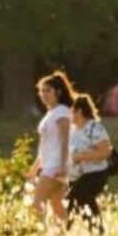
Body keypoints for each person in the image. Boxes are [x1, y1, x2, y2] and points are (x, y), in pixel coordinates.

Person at [27, 70, 74, 223]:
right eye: (42, 91)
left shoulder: (61, 111)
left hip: (55, 165)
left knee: (37, 203)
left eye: (48, 90)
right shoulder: (51, 113)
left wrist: (62, 165)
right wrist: (35, 167)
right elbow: (44, 145)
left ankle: (37, 234)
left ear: (58, 92)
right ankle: (69, 233)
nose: (44, 94)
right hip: (48, 163)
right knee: (56, 204)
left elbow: (66, 139)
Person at [66, 94, 112, 231]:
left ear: (79, 111)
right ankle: (95, 231)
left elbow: (106, 152)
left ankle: (95, 231)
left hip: (96, 174)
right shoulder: (73, 131)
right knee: (77, 200)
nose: (69, 114)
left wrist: (83, 157)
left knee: (78, 196)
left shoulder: (94, 128)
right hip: (78, 175)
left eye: (71, 111)